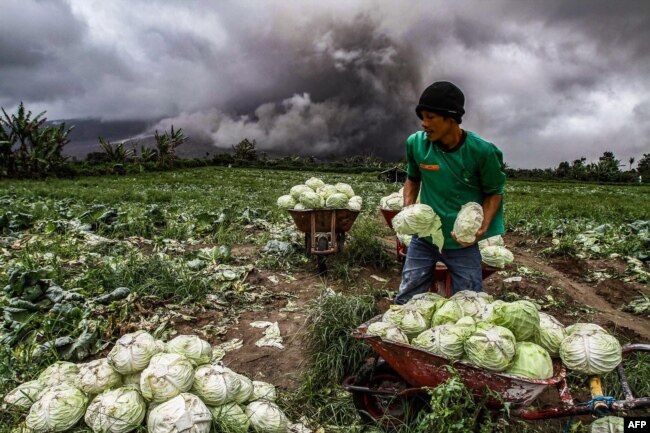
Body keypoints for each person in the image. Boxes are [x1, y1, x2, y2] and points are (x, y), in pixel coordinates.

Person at [394, 81, 506, 304]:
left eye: (430, 117)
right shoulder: (416, 144)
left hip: (461, 244)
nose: (424, 124)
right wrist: (408, 209)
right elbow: (412, 179)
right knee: (407, 297)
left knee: (470, 302)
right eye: (422, 117)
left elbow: (494, 193)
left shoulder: (482, 152)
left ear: (451, 117)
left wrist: (481, 229)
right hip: (424, 239)